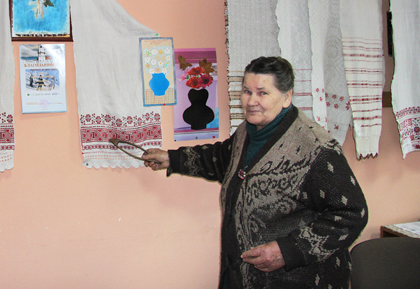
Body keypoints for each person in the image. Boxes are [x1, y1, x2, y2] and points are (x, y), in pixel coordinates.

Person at [142, 56, 368, 289]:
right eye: (247, 91)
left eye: (262, 93)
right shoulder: (248, 131)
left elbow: (352, 213)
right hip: (242, 274)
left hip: (298, 280)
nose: (251, 101)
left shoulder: (315, 149)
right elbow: (221, 158)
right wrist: (171, 159)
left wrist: (288, 250)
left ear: (286, 97)